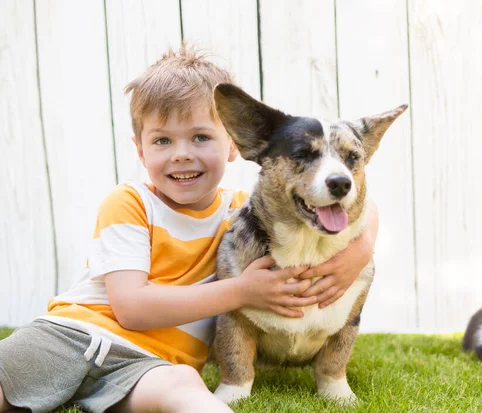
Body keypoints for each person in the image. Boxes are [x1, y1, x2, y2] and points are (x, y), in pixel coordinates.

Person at [0, 44, 378, 413]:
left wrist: (360, 252)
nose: (181, 153)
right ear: (140, 150)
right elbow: (131, 309)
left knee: (185, 388)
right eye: (162, 140)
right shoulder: (130, 202)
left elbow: (350, 202)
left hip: (150, 365)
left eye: (200, 137)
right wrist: (241, 291)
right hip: (74, 336)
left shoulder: (240, 210)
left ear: (233, 143)